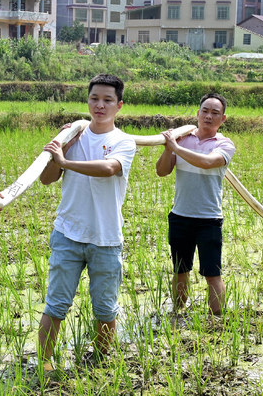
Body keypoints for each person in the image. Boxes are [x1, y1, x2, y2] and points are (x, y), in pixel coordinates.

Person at [37, 74, 137, 368]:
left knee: (105, 309)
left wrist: (67, 162)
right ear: (88, 100)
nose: (100, 105)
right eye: (95, 98)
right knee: (56, 305)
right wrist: (61, 153)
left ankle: (101, 359)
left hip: (106, 239)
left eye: (108, 100)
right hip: (68, 234)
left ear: (119, 105)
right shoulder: (72, 136)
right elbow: (46, 179)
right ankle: (43, 364)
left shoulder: (124, 142)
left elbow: (109, 169)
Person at [155, 93, 235, 315]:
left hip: (209, 220)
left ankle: (217, 320)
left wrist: (177, 148)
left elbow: (208, 163)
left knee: (212, 273)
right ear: (198, 113)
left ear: (223, 118)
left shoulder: (224, 145)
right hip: (180, 216)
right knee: (180, 270)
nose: (209, 116)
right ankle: (177, 314)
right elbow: (162, 171)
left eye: (215, 113)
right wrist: (169, 148)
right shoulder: (182, 139)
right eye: (205, 111)